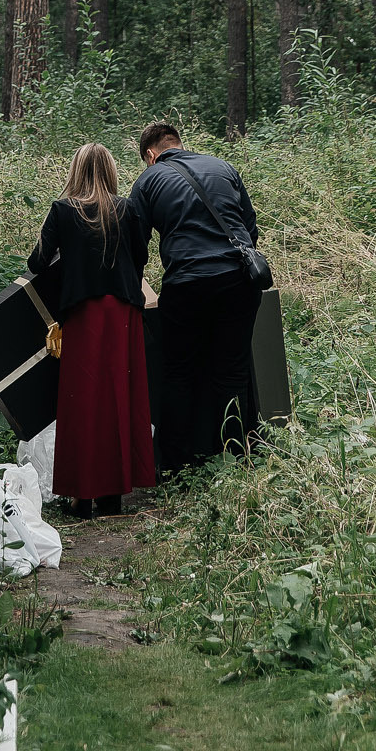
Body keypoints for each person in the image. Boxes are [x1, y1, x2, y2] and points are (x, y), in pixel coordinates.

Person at [25, 143, 155, 518]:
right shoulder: (127, 209)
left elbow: (37, 262)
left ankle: (81, 497)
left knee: (81, 401)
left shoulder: (63, 210)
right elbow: (141, 257)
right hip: (123, 313)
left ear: (75, 171)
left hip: (82, 313)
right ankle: (113, 494)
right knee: (119, 397)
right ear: (111, 171)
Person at [129, 122, 260, 469]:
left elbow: (135, 244)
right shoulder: (223, 167)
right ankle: (235, 457)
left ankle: (177, 466)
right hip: (238, 280)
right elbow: (250, 228)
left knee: (179, 373)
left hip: (186, 285)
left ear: (150, 155)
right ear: (179, 144)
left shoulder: (148, 180)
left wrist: (134, 292)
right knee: (233, 372)